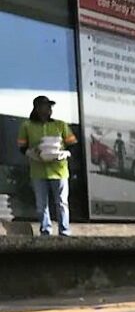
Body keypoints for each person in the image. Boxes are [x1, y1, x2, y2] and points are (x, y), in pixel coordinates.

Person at [17, 96, 77, 237]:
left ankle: (64, 231)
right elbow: (21, 146)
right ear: (37, 108)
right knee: (41, 204)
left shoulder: (60, 125)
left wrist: (65, 153)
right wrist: (30, 153)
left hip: (59, 170)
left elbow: (73, 144)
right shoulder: (27, 126)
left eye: (50, 106)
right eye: (45, 106)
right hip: (38, 170)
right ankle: (45, 232)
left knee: (62, 202)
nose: (49, 109)